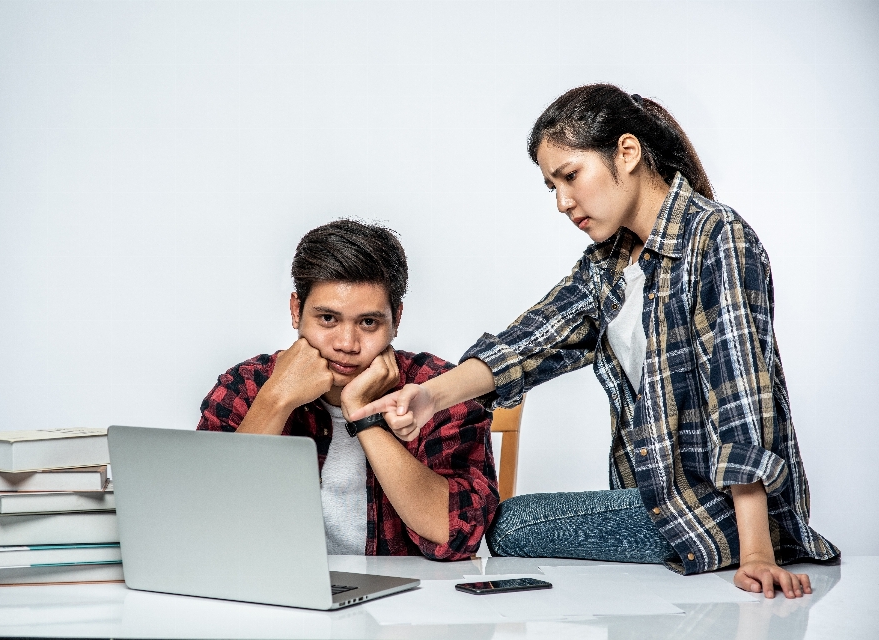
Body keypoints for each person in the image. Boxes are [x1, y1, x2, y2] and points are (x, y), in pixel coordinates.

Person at [351, 84, 840, 596]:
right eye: (551, 186)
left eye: (570, 176)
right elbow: (531, 343)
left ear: (626, 153)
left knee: (509, 524)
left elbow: (741, 400)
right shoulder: (608, 265)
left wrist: (757, 553)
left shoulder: (717, 238)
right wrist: (429, 396)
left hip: (716, 514)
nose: (563, 202)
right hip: (658, 503)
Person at [196, 219, 497, 561]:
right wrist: (277, 399)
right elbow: (207, 521)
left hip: (407, 602)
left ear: (396, 319)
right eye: (328, 319)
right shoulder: (248, 385)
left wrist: (364, 415)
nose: (346, 344)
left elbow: (456, 536)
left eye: (368, 322)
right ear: (297, 310)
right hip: (276, 597)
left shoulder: (435, 389)